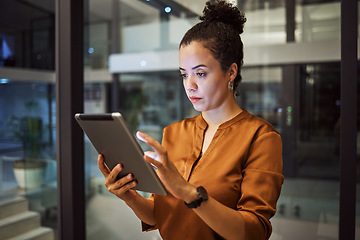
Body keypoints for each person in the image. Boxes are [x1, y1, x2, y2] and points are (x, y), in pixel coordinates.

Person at [98, 1, 283, 239]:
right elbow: (159, 215)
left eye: (201, 73)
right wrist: (129, 197)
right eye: (184, 74)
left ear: (231, 71)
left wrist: (190, 194)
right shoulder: (174, 133)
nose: (189, 85)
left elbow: (254, 231)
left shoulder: (261, 137)